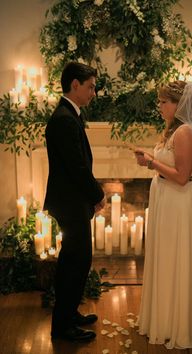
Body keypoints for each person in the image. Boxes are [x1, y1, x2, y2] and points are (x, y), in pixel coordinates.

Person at [135, 81, 192, 349]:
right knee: (165, 256)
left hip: (177, 202)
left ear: (178, 104)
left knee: (174, 256)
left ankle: (176, 322)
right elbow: (169, 164)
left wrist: (151, 163)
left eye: (163, 102)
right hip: (166, 201)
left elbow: (183, 177)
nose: (159, 106)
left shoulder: (184, 132)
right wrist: (152, 159)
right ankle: (164, 316)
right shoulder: (172, 131)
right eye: (159, 102)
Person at [44, 62, 105, 342]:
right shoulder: (64, 118)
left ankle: (69, 314)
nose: (94, 92)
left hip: (72, 200)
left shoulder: (69, 114)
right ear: (75, 84)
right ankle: (62, 327)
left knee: (76, 261)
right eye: (90, 86)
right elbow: (77, 168)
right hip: (70, 202)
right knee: (75, 262)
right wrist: (98, 195)